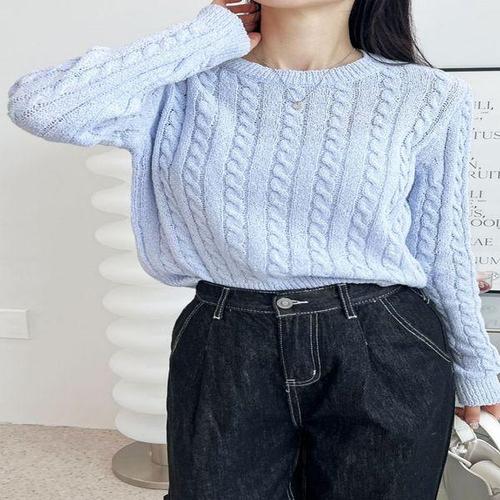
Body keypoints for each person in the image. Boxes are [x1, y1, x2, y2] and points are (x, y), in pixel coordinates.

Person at [7, 0, 500, 498]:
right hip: (225, 338)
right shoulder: (179, 86)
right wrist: (206, 37)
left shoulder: (428, 95)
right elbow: (40, 106)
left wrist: (476, 366)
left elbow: (442, 247)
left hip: (385, 341)